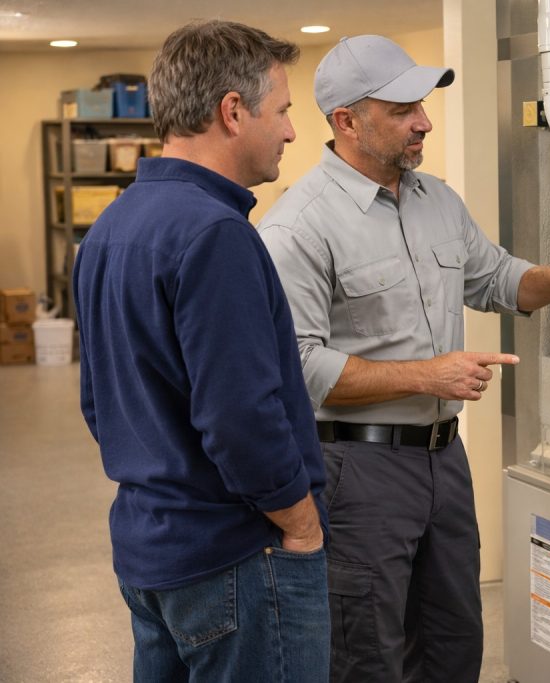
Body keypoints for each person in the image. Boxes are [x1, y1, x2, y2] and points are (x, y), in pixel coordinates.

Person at [257, 34, 550, 682]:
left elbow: (499, 278)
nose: (424, 121)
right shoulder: (299, 226)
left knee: (455, 642)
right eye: (403, 109)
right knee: (370, 655)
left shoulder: (438, 202)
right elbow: (298, 366)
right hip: (358, 471)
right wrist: (429, 374)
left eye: (422, 105)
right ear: (347, 120)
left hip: (443, 466)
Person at [73, 20, 329, 682]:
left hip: (150, 551)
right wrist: (299, 523)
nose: (294, 132)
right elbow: (241, 416)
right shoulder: (215, 234)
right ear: (233, 111)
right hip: (236, 560)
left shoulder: (110, 227)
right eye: (283, 111)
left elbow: (99, 401)